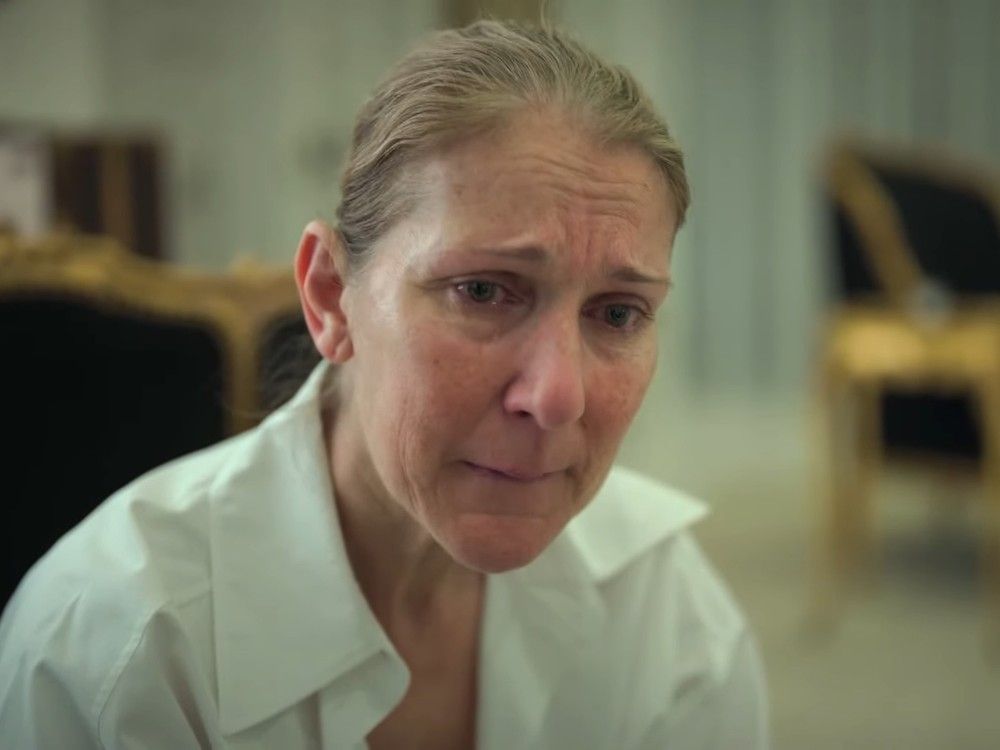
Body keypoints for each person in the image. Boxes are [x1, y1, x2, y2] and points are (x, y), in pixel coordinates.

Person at [0, 19, 768, 750]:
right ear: (331, 297)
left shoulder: (664, 613)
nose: (558, 395)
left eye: (618, 311)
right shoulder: (114, 655)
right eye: (483, 291)